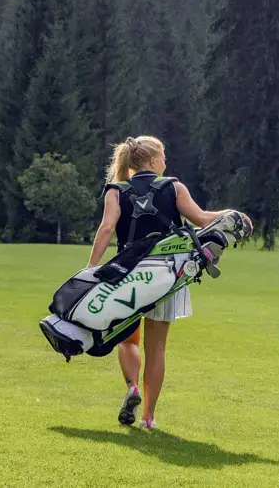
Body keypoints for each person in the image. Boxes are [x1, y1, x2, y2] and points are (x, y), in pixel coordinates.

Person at [88, 136, 247, 430]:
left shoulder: (115, 190)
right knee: (157, 348)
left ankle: (132, 386)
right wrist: (230, 215)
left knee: (126, 339)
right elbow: (201, 219)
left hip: (128, 273)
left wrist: (91, 268)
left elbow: (107, 228)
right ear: (151, 161)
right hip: (167, 273)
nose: (165, 161)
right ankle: (148, 417)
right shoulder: (173, 186)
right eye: (162, 156)